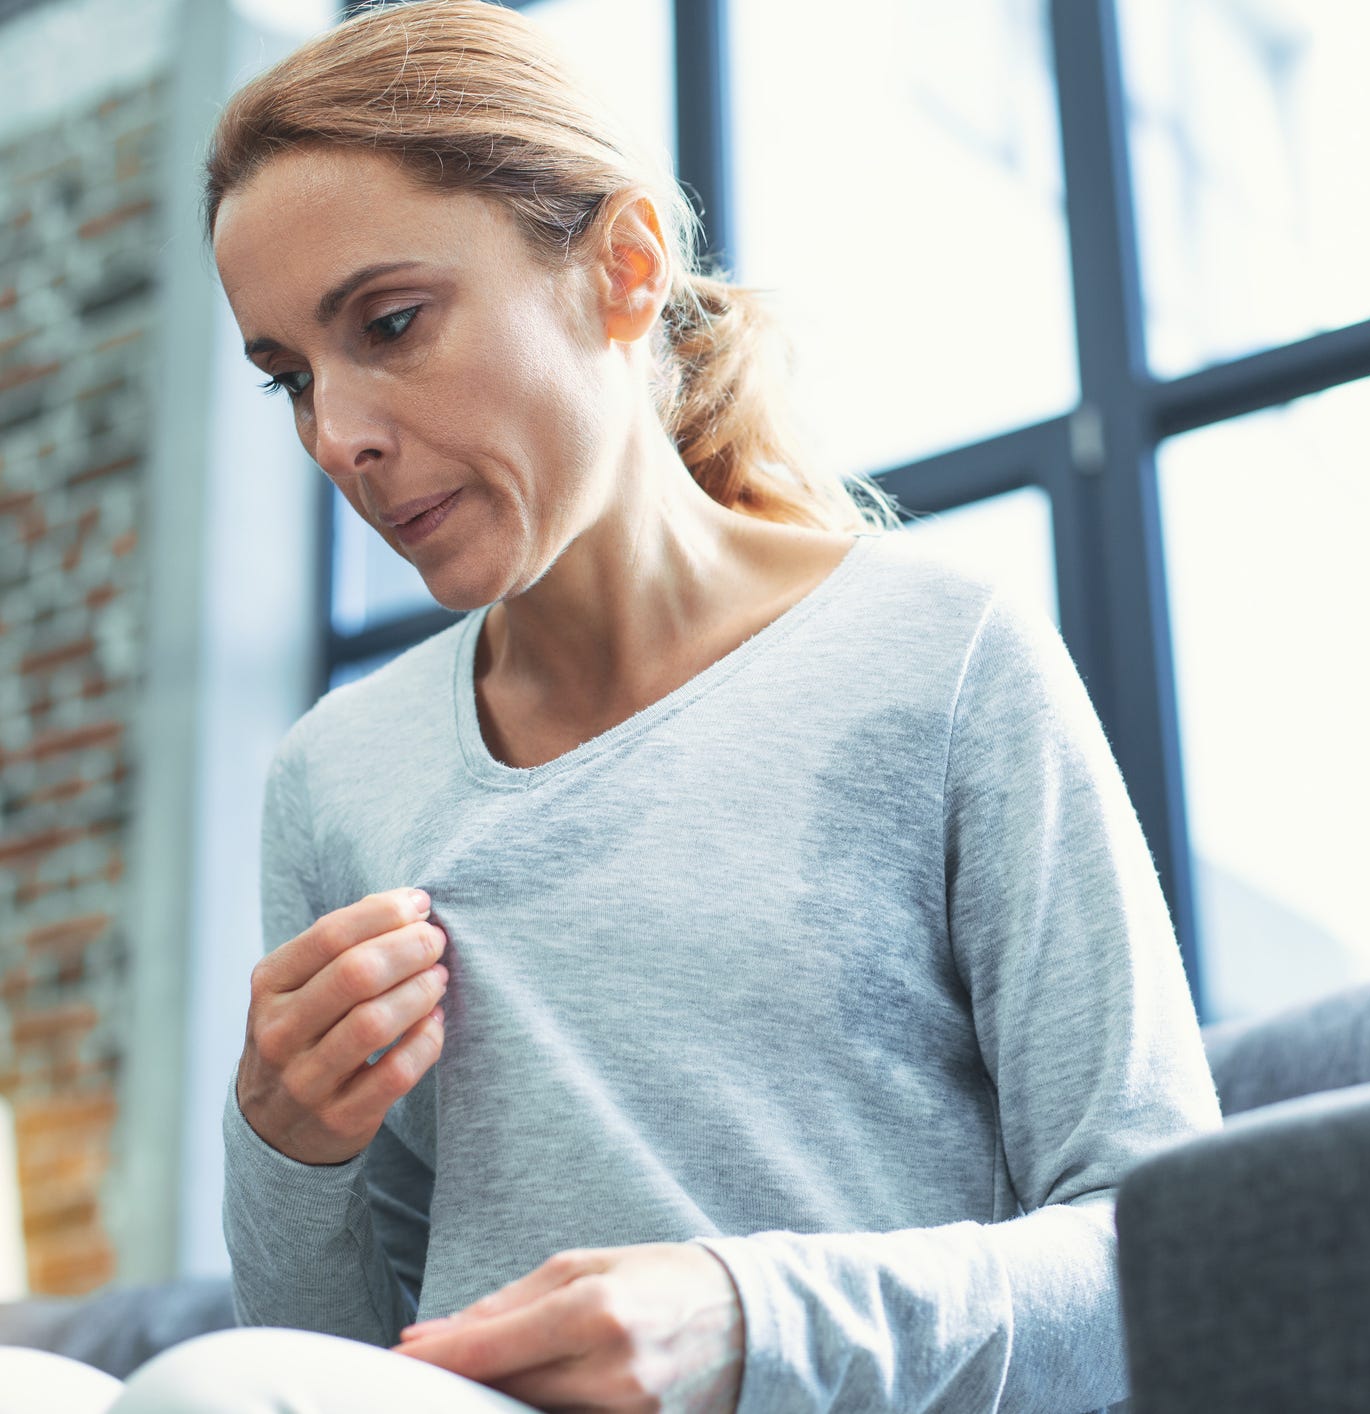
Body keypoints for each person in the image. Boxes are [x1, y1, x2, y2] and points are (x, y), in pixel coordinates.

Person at [0, 2, 1220, 1409]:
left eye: (389, 324)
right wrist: (287, 1147)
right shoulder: (336, 777)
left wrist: (750, 1321)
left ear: (623, 268)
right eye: (290, 378)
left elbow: (1163, 1254)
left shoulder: (938, 654)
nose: (337, 435)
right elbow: (325, 1360)